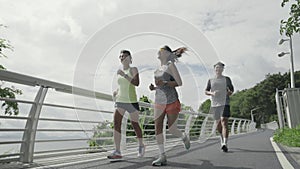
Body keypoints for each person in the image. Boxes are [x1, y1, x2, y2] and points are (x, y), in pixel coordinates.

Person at [149, 45, 190, 166]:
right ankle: (162, 156)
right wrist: (154, 88)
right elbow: (160, 85)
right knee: (157, 128)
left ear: (166, 53)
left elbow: (179, 82)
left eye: (161, 50)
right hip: (159, 101)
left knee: (172, 129)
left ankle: (183, 136)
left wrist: (165, 82)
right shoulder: (157, 70)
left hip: (171, 100)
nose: (158, 51)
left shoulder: (170, 66)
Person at [107, 50, 145, 160]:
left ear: (129, 58)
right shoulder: (120, 71)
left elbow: (136, 83)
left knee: (135, 125)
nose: (121, 58)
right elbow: (123, 85)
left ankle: (141, 145)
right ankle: (117, 151)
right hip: (120, 101)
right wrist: (117, 91)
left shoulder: (133, 69)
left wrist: (124, 75)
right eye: (120, 56)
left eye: (124, 56)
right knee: (116, 123)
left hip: (132, 101)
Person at [205, 61, 234, 152]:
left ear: (222, 69)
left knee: (224, 121)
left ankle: (225, 143)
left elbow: (231, 90)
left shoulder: (227, 79)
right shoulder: (210, 80)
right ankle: (222, 139)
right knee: (218, 123)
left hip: (225, 102)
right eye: (217, 68)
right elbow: (206, 91)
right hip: (215, 104)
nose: (218, 69)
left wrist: (228, 93)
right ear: (215, 69)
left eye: (220, 68)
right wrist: (212, 93)